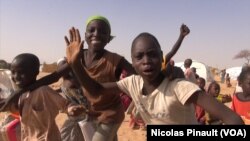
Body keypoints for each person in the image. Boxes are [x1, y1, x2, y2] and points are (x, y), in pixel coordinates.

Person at [65, 27, 244, 125]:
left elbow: (234, 119)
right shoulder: (132, 82)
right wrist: (75, 65)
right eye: (139, 57)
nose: (146, 61)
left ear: (161, 57)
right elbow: (96, 90)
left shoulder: (179, 87)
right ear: (133, 63)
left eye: (152, 55)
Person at [6, 53, 84, 141]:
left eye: (21, 72)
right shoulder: (21, 94)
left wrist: (71, 109)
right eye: (13, 72)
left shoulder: (43, 91)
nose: (16, 76)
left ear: (35, 72)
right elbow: (18, 112)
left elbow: (65, 105)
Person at [57, 57, 87, 141]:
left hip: (81, 116)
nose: (63, 70)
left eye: (65, 67)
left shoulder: (73, 79)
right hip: (73, 116)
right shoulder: (66, 81)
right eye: (61, 68)